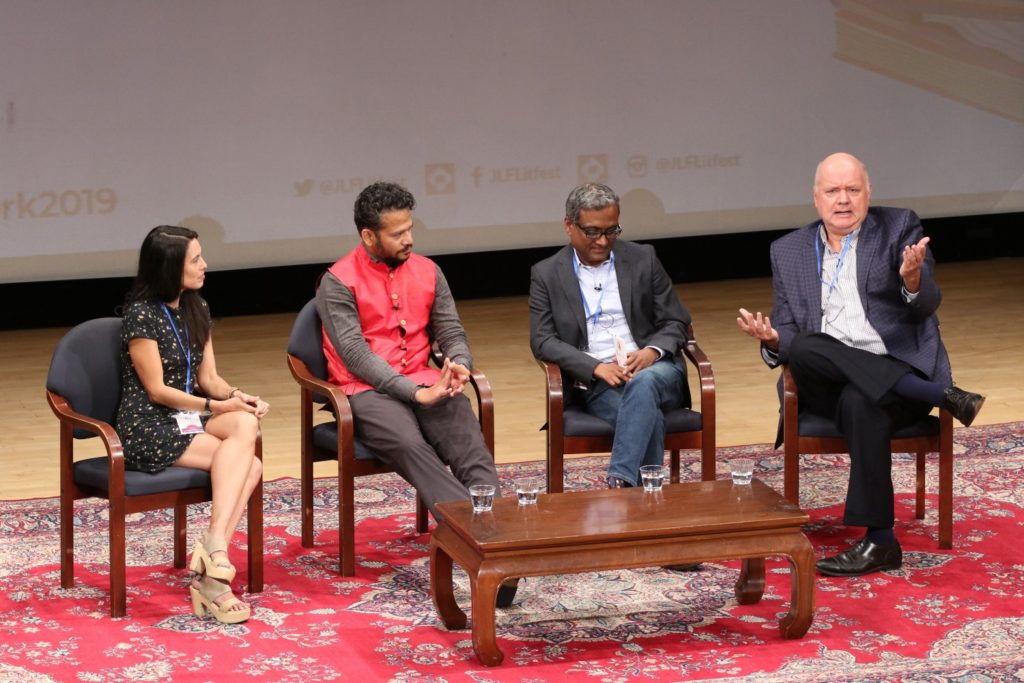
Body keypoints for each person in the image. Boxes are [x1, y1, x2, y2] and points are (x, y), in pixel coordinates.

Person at [736, 152, 985, 577]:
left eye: (853, 190)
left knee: (859, 401)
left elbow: (927, 303)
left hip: (892, 372)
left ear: (868, 194)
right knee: (810, 345)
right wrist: (775, 340)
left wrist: (911, 278)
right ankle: (938, 395)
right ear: (816, 198)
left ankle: (880, 540)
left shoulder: (898, 228)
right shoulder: (788, 250)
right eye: (833, 191)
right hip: (824, 380)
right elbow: (790, 331)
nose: (843, 200)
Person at [316, 182, 518, 605]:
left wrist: (458, 361)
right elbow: (354, 355)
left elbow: (450, 331)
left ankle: (498, 546)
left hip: (427, 379)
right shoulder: (337, 282)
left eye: (410, 228)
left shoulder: (429, 270)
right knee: (410, 445)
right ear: (369, 236)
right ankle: (486, 543)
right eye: (397, 233)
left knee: (468, 443)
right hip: (367, 391)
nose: (409, 239)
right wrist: (413, 392)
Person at [116, 225, 268, 624]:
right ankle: (212, 578)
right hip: (149, 424)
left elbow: (211, 379)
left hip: (189, 416)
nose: (205, 265)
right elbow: (157, 391)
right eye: (195, 259)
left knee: (244, 422)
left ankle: (214, 548)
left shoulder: (197, 308)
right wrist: (214, 406)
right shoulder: (140, 315)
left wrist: (238, 396)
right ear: (169, 267)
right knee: (249, 466)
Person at [529, 183, 692, 489]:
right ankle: (646, 500)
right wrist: (595, 367)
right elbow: (542, 340)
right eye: (592, 232)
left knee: (644, 383)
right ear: (569, 225)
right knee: (650, 419)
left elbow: (676, 320)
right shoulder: (547, 273)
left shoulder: (644, 258)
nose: (603, 241)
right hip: (601, 382)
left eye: (611, 230)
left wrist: (651, 352)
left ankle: (619, 481)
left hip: (657, 371)